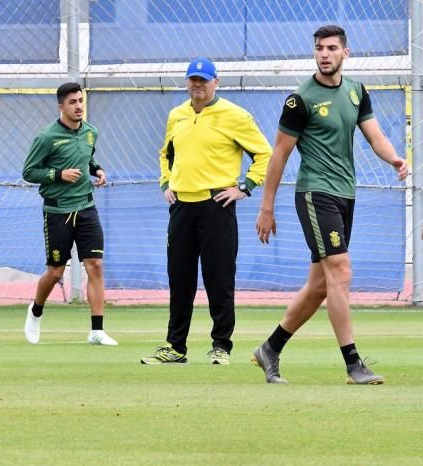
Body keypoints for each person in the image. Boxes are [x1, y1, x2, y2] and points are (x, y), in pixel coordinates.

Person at [252, 25, 407, 384]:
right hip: (314, 193)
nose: (324, 54)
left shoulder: (356, 92)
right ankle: (353, 364)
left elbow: (375, 136)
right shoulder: (299, 99)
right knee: (341, 271)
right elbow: (279, 154)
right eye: (319, 48)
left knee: (320, 286)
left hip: (344, 194)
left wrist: (395, 159)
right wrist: (267, 207)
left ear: (345, 54)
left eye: (331, 48)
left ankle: (270, 349)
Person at [140, 58, 271, 365]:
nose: (197, 86)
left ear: (216, 82)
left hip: (217, 206)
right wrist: (165, 183)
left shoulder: (235, 116)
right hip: (182, 206)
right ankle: (175, 347)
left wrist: (245, 186)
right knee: (180, 278)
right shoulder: (177, 116)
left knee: (219, 277)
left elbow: (264, 153)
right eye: (193, 80)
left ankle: (221, 346)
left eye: (203, 80)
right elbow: (166, 154)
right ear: (187, 83)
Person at [22, 82, 117, 346]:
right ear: (61, 106)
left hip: (86, 208)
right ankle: (36, 311)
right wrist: (58, 175)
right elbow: (29, 172)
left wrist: (97, 170)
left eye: (80, 101)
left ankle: (96, 330)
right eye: (73, 102)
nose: (78, 107)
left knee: (95, 266)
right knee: (55, 272)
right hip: (57, 212)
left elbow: (87, 157)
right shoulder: (46, 137)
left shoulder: (90, 132)